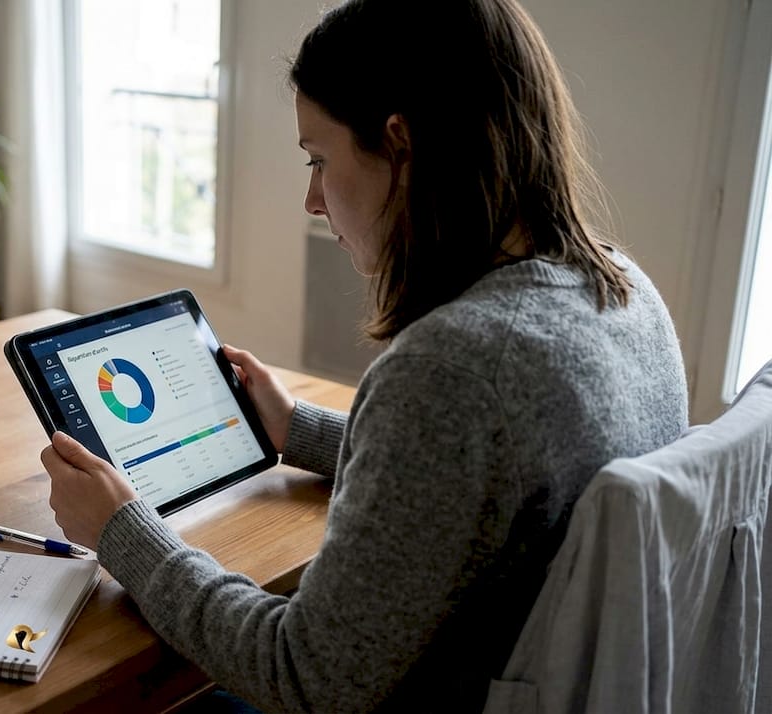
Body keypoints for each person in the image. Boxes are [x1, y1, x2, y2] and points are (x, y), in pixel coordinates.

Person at [41, 0, 689, 711]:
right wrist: (297, 430)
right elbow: (489, 479)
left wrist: (120, 532)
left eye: (319, 160)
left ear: (400, 145)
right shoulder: (622, 288)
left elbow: (305, 675)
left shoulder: (451, 370)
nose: (312, 199)